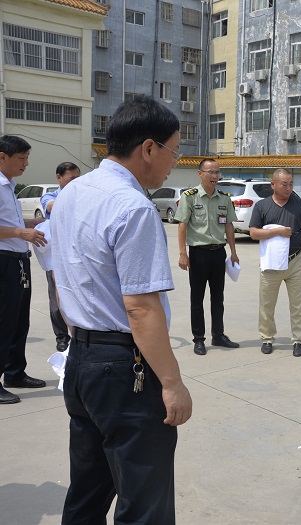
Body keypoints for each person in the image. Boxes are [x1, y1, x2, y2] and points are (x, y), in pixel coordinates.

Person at [50, 96, 192, 523]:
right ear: (148, 148)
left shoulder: (71, 193)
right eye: (173, 151)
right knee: (144, 502)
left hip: (81, 362)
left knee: (88, 492)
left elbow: (62, 278)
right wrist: (171, 383)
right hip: (124, 367)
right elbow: (142, 309)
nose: (173, 163)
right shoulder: (133, 207)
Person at [175, 158, 240, 355]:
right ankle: (199, 339)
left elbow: (229, 225)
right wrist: (182, 254)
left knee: (218, 298)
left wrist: (233, 252)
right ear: (200, 173)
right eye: (210, 172)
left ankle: (218, 335)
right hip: (198, 254)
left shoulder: (224, 198)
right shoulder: (190, 197)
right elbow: (182, 225)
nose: (214, 176)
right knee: (197, 298)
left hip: (218, 253)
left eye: (217, 172)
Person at [0, 135, 47, 405]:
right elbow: (12, 228)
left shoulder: (10, 186)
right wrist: (20, 231)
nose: (26, 164)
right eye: (21, 158)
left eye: (27, 158)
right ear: (2, 157)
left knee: (19, 321)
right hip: (4, 260)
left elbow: (11, 220)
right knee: (3, 322)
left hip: (19, 259)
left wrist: (36, 223)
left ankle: (15, 373)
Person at [249, 168, 301, 357]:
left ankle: (298, 340)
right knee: (267, 303)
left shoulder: (299, 204)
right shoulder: (262, 206)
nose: (288, 188)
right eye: (284, 184)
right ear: (273, 185)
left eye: (291, 184)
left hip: (295, 260)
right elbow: (253, 232)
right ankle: (267, 338)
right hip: (270, 263)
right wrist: (276, 232)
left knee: (298, 304)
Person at [40, 161, 81, 352]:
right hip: (56, 256)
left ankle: (79, 332)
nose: (76, 181)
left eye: (78, 177)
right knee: (57, 299)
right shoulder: (50, 196)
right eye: (72, 178)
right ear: (59, 177)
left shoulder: (82, 195)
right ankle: (62, 336)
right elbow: (53, 207)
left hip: (77, 254)